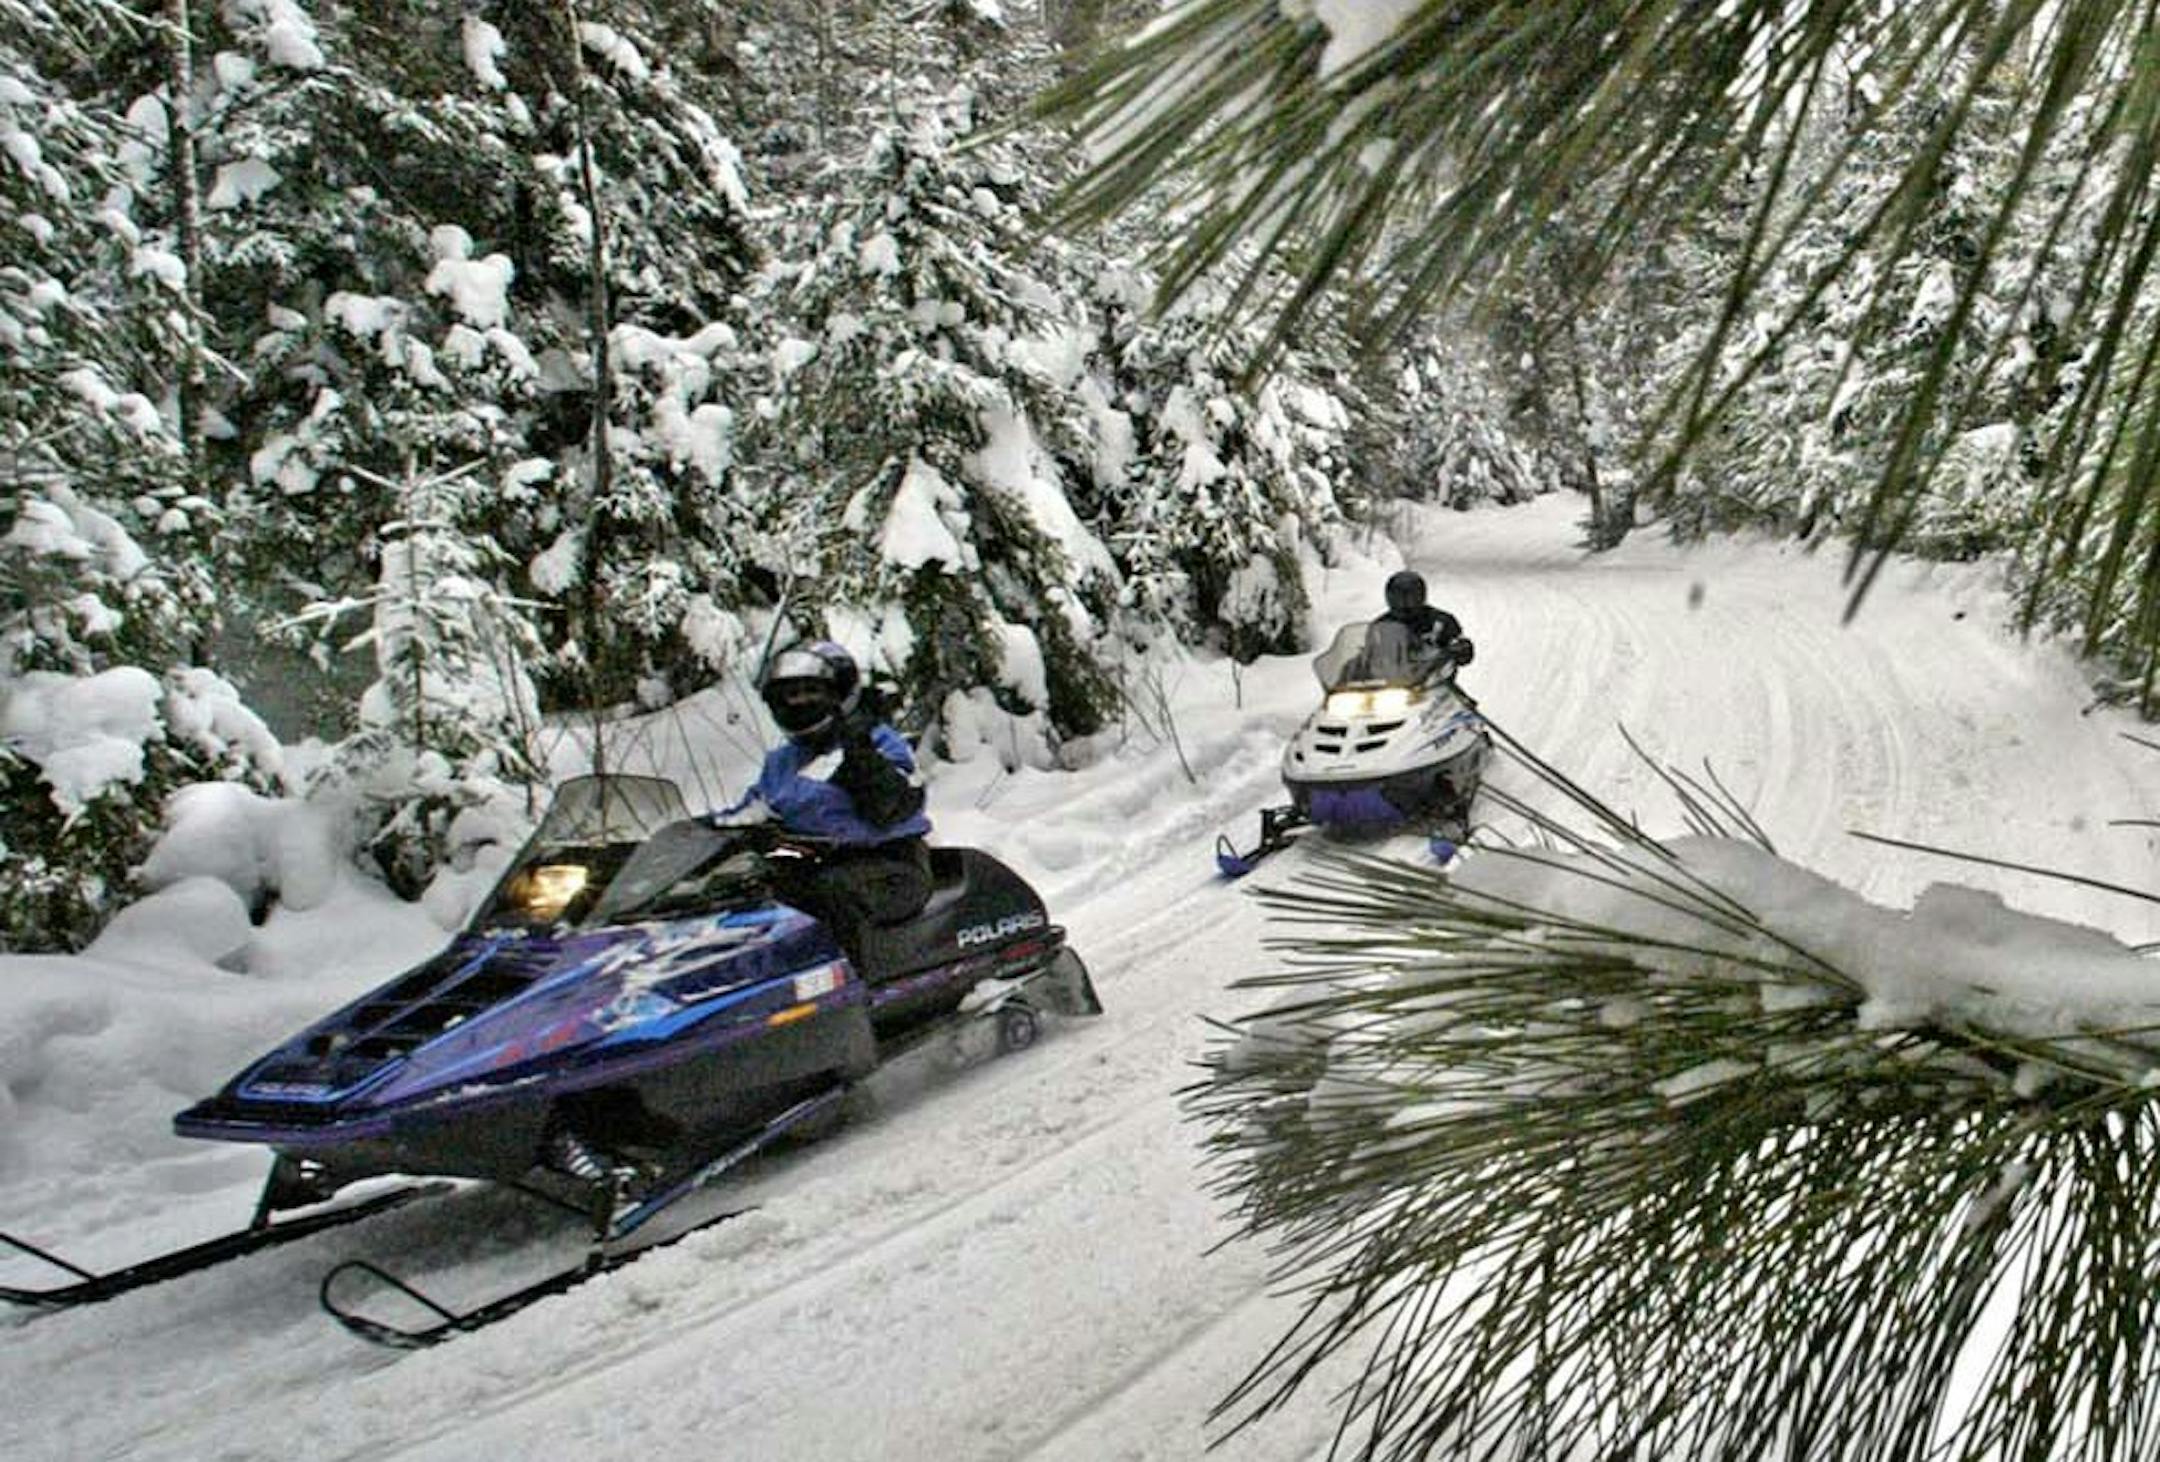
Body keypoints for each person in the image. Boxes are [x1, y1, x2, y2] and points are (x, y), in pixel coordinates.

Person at [716, 640, 933, 973]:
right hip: (811, 866)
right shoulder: (782, 762)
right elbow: (752, 810)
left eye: (809, 693)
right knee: (744, 899)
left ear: (839, 694)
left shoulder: (878, 741)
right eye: (790, 695)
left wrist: (859, 755)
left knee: (825, 896)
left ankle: (849, 994)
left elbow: (895, 804)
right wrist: (701, 834)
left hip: (890, 867)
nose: (799, 703)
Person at [1360, 570, 1474, 681]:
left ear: (1421, 596)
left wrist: (1461, 649)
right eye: (1398, 598)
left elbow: (1459, 644)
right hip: (1391, 685)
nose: (1404, 603)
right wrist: (1353, 666)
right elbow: (1368, 654)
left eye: (1411, 598)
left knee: (1460, 700)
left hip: (1435, 683)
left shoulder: (1441, 621)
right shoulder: (1380, 626)